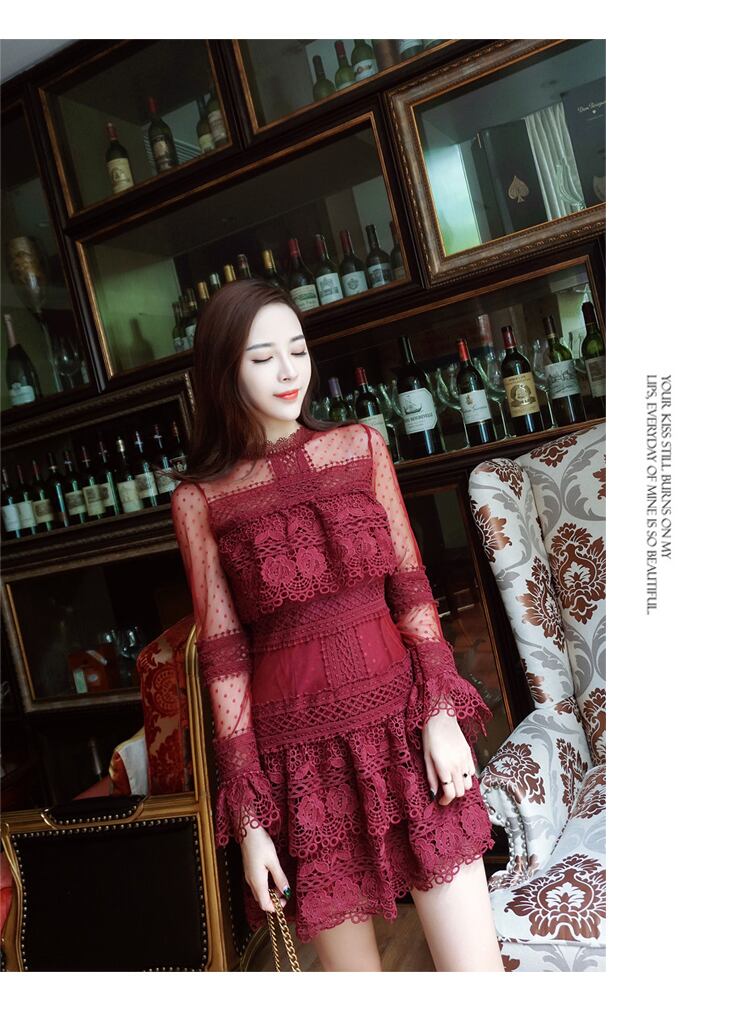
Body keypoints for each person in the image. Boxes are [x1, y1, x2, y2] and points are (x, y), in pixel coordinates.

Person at [170, 278, 504, 972]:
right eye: (263, 357)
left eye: (297, 350)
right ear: (223, 371)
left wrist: (439, 713)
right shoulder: (202, 499)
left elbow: (410, 587)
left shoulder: (360, 449)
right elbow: (224, 657)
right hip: (303, 766)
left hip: (405, 733)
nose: (288, 371)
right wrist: (252, 824)